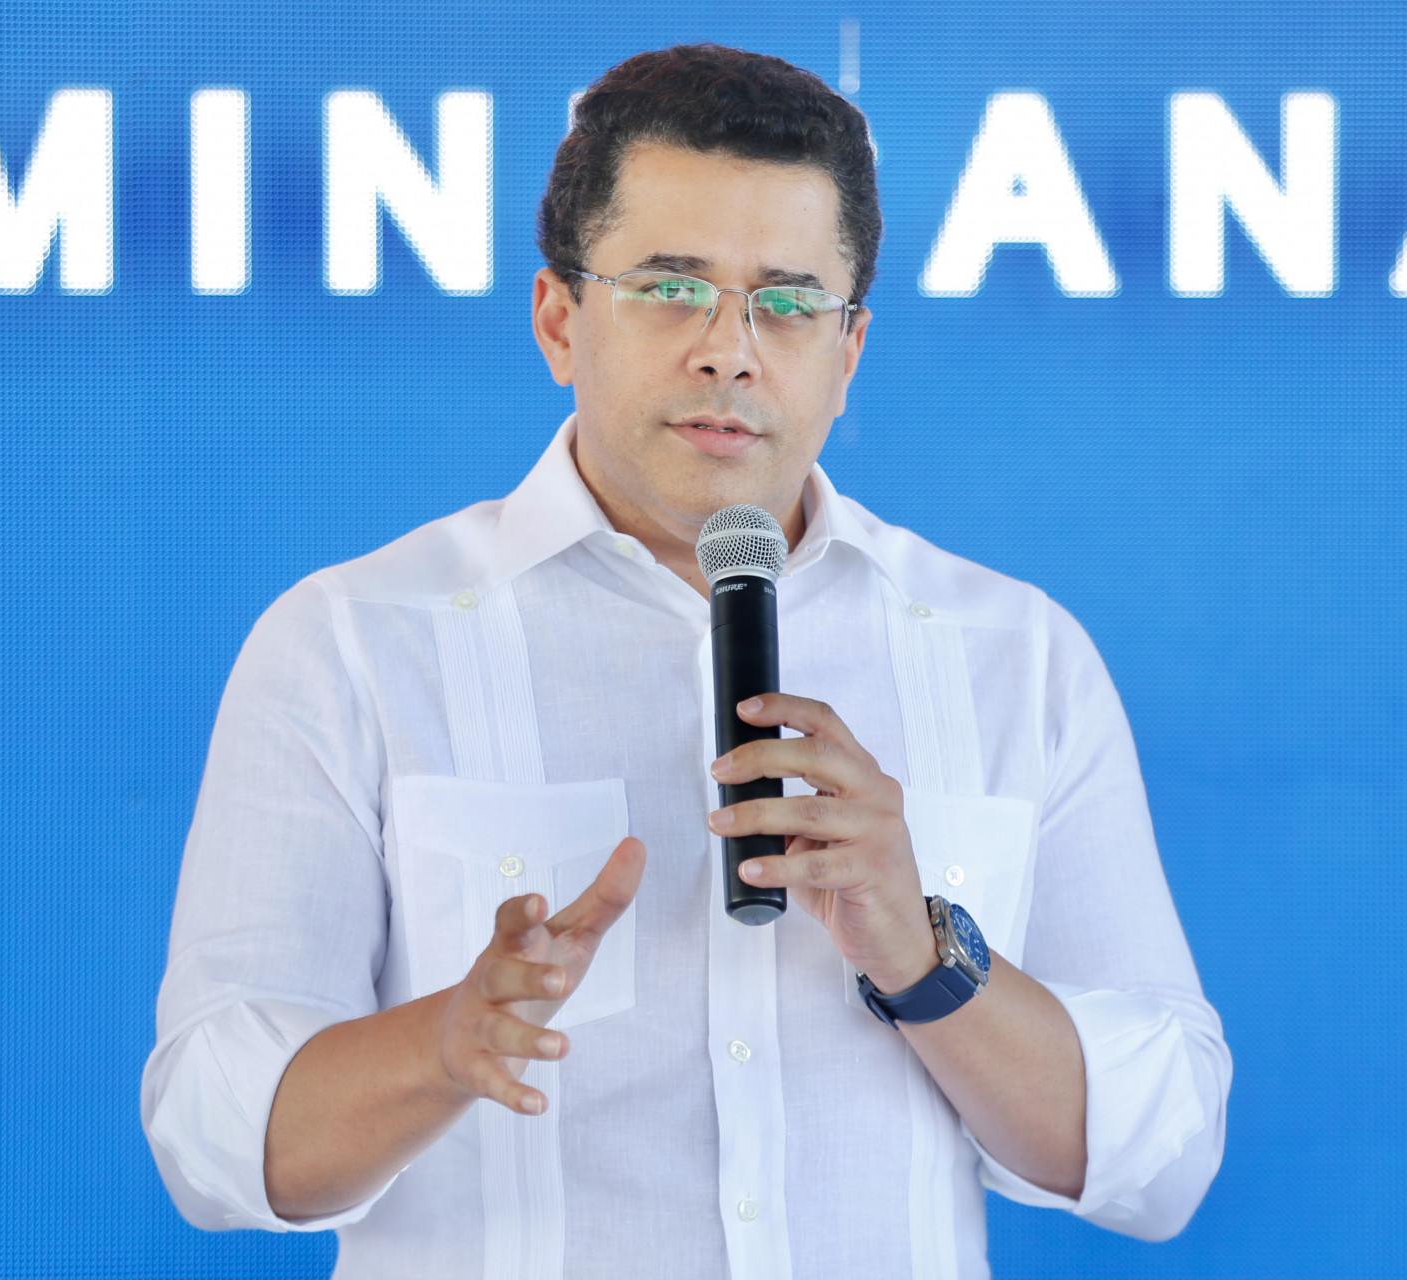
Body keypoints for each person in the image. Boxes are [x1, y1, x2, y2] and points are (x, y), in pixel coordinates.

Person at [142, 43, 1231, 1280]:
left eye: (787, 303)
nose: (730, 350)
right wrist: (441, 1047)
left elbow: (1163, 1153)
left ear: (849, 351)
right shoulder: (353, 640)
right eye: (671, 288)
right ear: (560, 319)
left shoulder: (1014, 656)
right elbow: (212, 1140)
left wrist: (926, 955)